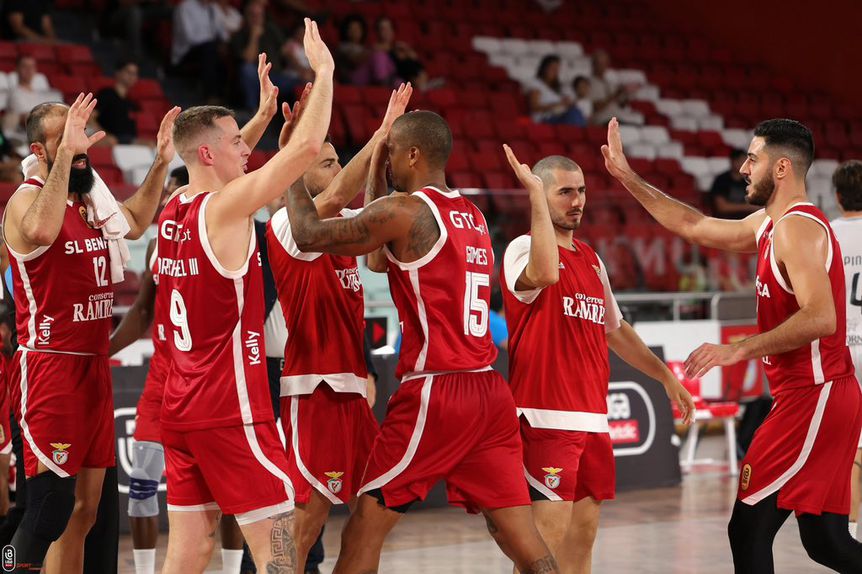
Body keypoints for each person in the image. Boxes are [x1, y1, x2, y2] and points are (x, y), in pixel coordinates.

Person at [284, 109, 559, 574]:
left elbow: (307, 234)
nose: (388, 160)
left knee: (363, 529)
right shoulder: (471, 215)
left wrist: (291, 161)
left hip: (438, 390)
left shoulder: (406, 211)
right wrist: (376, 169)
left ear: (412, 155)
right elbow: (378, 261)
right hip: (490, 391)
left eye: (391, 152)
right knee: (520, 534)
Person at [602, 116, 862, 572]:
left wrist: (738, 348)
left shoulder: (796, 228)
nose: (743, 168)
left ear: (781, 168)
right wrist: (628, 177)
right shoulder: (769, 223)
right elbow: (694, 224)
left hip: (815, 394)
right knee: (825, 540)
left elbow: (822, 317)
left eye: (752, 159)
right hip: (811, 395)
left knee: (748, 528)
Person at [155, 22, 333, 572]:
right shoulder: (225, 209)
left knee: (190, 548)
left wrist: (256, 118)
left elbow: (220, 159)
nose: (247, 149)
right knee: (278, 549)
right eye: (237, 142)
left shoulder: (174, 208)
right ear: (209, 154)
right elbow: (306, 149)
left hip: (181, 408)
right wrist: (325, 71)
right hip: (230, 410)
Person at [1, 93, 177, 573]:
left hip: (94, 368)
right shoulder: (25, 201)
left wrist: (161, 162)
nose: (80, 146)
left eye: (81, 135)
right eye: (66, 137)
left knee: (84, 511)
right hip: (50, 366)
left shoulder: (90, 202)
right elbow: (41, 231)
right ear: (39, 151)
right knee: (49, 509)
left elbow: (135, 221)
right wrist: (66, 155)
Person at [500, 150, 695, 573]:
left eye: (582, 191)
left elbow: (615, 330)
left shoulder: (591, 258)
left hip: (592, 419)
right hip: (546, 418)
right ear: (538, 194)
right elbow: (544, 274)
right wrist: (534, 201)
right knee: (542, 548)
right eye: (564, 192)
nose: (577, 201)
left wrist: (664, 376)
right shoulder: (523, 248)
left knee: (582, 539)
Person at [267, 83, 410, 572]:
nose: (335, 167)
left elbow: (371, 215)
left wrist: (381, 156)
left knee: (371, 516)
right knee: (304, 523)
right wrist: (381, 133)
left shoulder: (344, 226)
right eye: (325, 162)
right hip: (316, 392)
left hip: (351, 391)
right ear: (299, 171)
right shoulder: (287, 226)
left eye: (335, 160)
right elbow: (333, 197)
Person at [830, 160, 862, 538]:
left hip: (840, 347)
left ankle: (851, 534)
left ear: (837, 196)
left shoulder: (825, 234)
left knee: (851, 447)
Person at [2, 57, 62, 146]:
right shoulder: (14, 93)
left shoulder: (41, 94)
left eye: (32, 67)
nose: (29, 70)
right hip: (23, 138)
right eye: (25, 66)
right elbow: (26, 119)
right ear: (17, 69)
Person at [334, 13, 395, 87]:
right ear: (346, 31)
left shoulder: (364, 47)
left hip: (371, 78)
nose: (355, 31)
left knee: (398, 82)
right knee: (379, 55)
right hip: (353, 80)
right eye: (351, 28)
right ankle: (385, 84)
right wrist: (374, 49)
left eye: (357, 28)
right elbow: (355, 60)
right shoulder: (343, 47)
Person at [525, 55, 584, 126]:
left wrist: (567, 103)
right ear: (544, 68)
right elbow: (534, 107)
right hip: (544, 119)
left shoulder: (558, 87)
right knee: (574, 114)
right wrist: (558, 104)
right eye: (552, 69)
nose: (555, 72)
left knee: (576, 111)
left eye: (557, 70)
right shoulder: (536, 84)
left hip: (559, 115)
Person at [95, 60, 142, 145]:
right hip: (111, 141)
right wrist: (104, 135)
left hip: (129, 141)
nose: (132, 76)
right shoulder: (106, 94)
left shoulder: (131, 102)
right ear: (118, 73)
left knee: (151, 144)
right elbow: (90, 118)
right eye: (129, 72)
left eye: (135, 74)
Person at [588, 50, 641, 126]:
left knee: (637, 127)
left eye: (605, 64)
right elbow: (596, 107)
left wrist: (625, 93)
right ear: (594, 64)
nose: (603, 67)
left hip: (617, 119)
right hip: (602, 121)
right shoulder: (589, 83)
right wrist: (615, 95)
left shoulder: (610, 82)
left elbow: (621, 104)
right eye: (600, 64)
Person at [709, 149, 761, 219]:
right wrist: (748, 207)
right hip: (724, 219)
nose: (744, 165)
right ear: (732, 161)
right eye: (740, 161)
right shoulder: (722, 180)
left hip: (747, 219)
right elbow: (722, 207)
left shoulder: (749, 180)